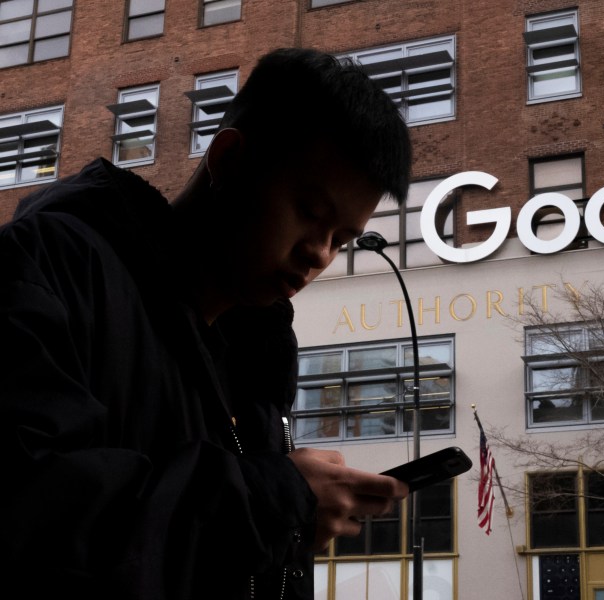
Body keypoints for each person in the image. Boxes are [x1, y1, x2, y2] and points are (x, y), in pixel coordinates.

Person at [0, 48, 411, 600]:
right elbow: (31, 511)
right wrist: (269, 500)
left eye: (342, 240)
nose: (318, 254)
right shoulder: (52, 265)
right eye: (311, 212)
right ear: (229, 159)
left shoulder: (255, 358)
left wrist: (285, 516)